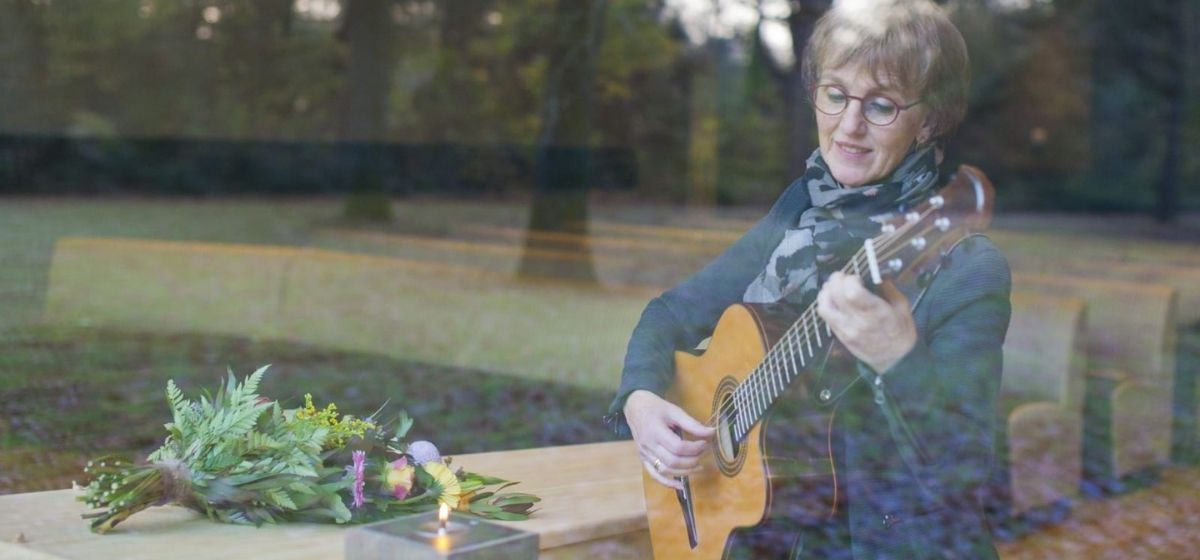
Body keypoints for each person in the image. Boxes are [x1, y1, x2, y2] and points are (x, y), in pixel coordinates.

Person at [606, 1, 1011, 558]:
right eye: (836, 94)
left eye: (882, 105)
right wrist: (641, 399)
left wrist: (899, 358)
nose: (849, 125)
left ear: (931, 120)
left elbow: (963, 471)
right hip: (767, 537)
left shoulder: (965, 266)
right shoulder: (801, 209)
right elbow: (671, 314)